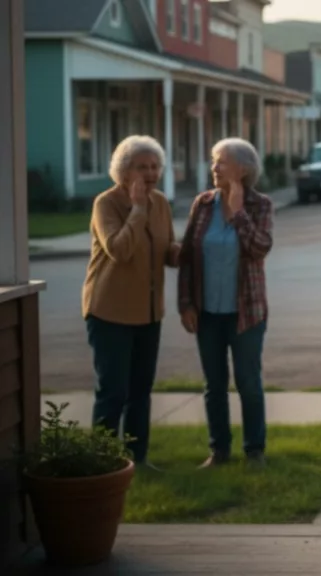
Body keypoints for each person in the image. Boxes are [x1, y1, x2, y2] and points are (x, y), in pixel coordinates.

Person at [83, 135, 179, 469]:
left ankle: (138, 458)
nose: (151, 173)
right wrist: (137, 210)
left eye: (155, 166)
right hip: (109, 311)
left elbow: (167, 251)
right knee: (113, 393)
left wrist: (190, 251)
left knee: (140, 393)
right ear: (124, 171)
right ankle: (104, 462)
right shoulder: (106, 204)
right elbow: (120, 250)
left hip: (148, 314)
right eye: (142, 167)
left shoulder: (162, 203)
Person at [178, 137, 274, 469]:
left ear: (242, 170)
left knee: (248, 382)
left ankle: (254, 451)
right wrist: (186, 303)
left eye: (221, 162)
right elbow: (188, 257)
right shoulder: (202, 204)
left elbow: (260, 248)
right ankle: (219, 451)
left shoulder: (260, 205)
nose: (213, 168)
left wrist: (237, 213)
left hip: (247, 312)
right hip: (207, 313)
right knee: (214, 385)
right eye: (213, 161)